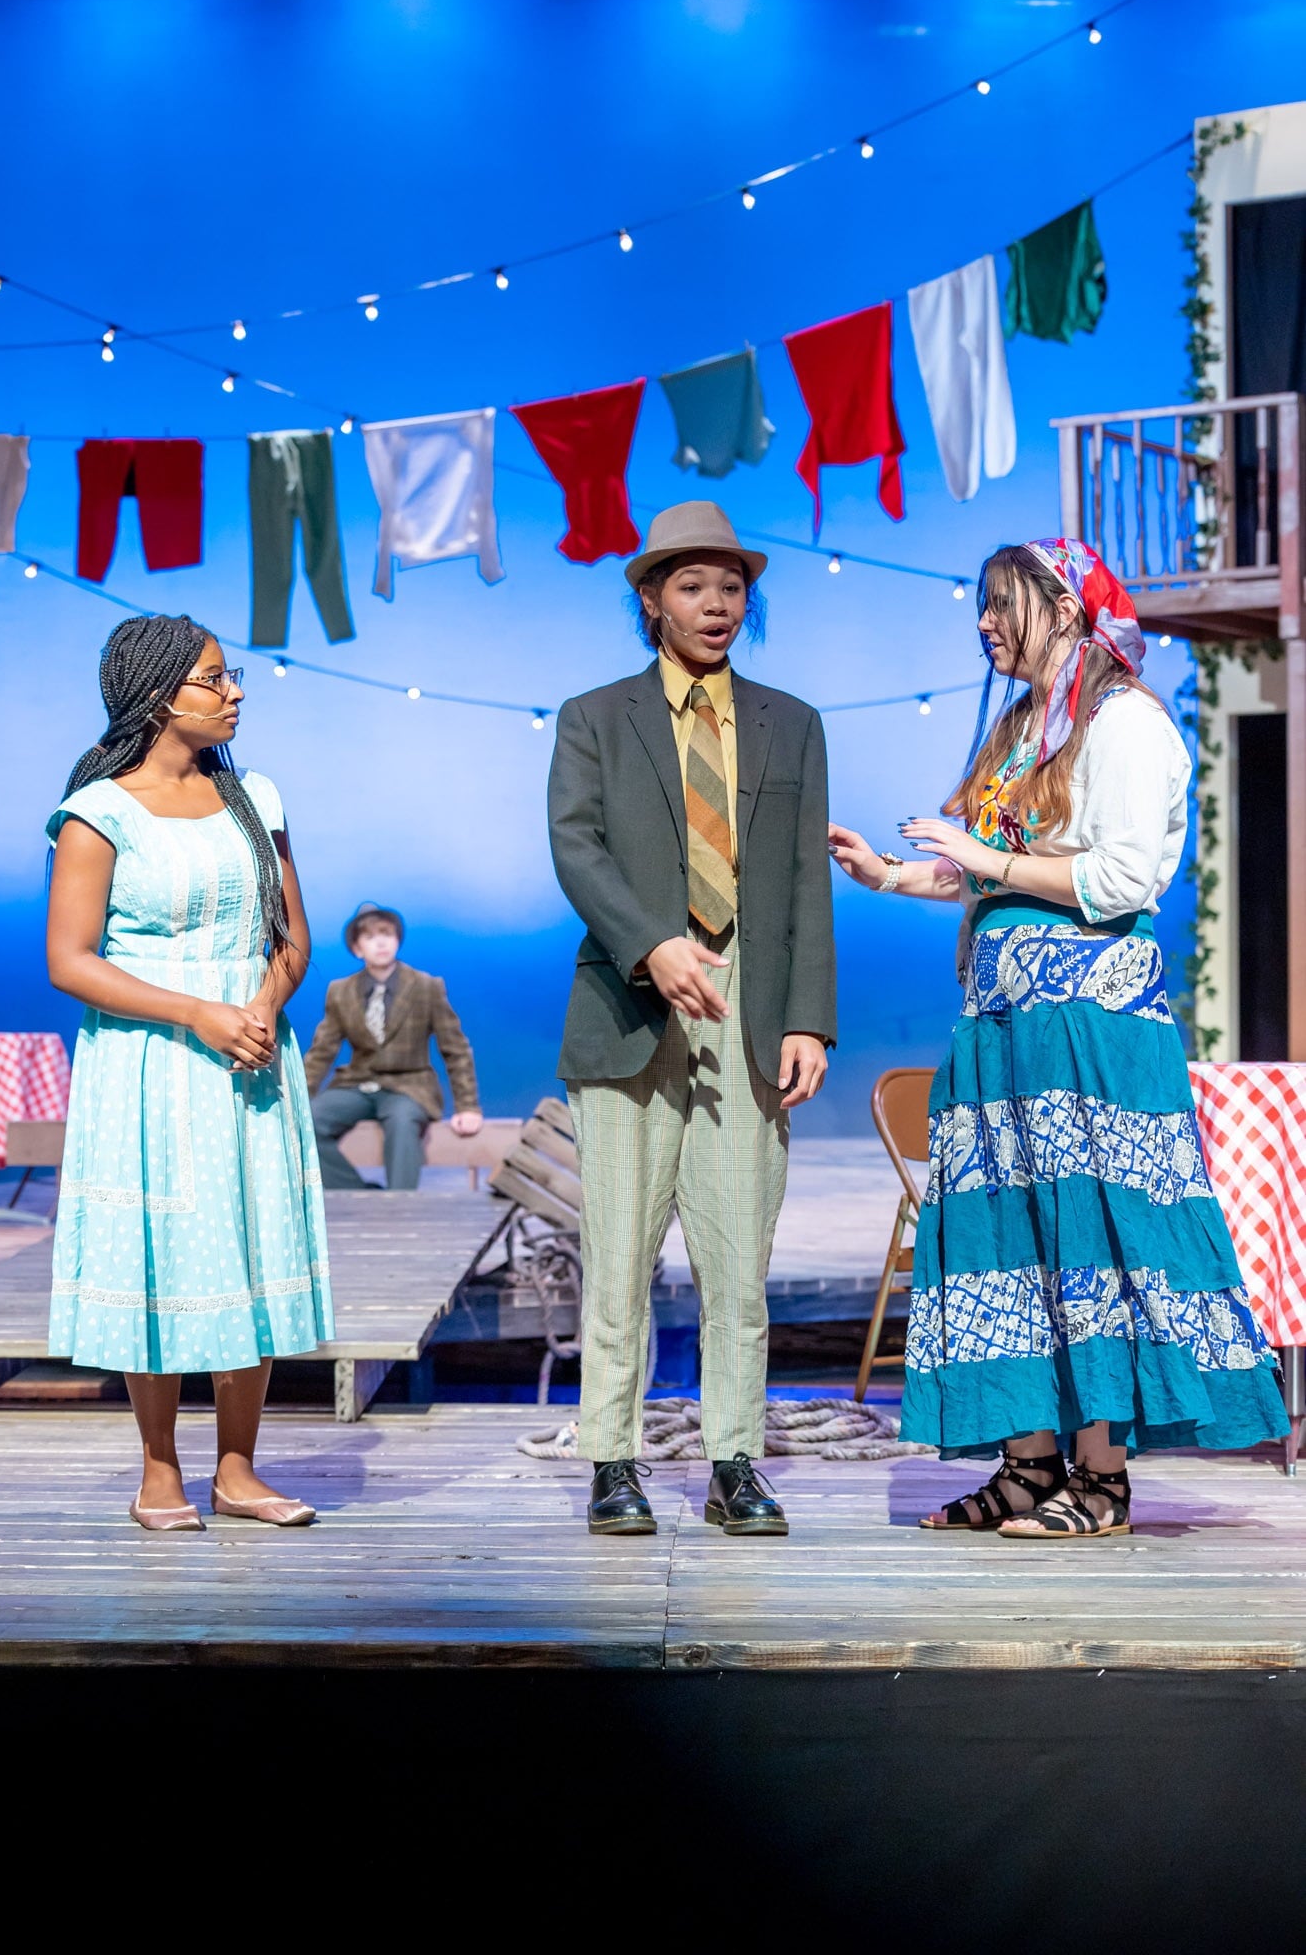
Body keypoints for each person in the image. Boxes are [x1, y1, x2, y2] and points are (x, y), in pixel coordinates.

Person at [829, 538, 1288, 1537]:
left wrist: (985, 855)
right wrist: (889, 874)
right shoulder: (1020, 727)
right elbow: (981, 869)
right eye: (980, 606)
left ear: (1064, 607)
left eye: (1001, 604)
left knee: (1091, 1235)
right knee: (1009, 1239)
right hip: (1005, 1029)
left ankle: (1101, 1476)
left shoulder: (1121, 722)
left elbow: (1120, 880)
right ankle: (1026, 1464)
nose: (985, 624)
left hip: (1087, 1030)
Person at [549, 500, 836, 1539]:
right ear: (649, 599)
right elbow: (575, 847)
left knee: (735, 1261)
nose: (716, 603)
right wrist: (652, 942)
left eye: (731, 585)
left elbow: (807, 879)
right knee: (619, 1257)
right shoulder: (594, 714)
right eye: (691, 585)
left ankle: (733, 1462)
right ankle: (611, 1459)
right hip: (632, 1001)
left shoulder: (788, 720)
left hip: (749, 1004)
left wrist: (807, 1017)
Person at [46, 614, 333, 1532]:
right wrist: (196, 1012)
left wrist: (259, 1006)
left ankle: (239, 1469)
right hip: (150, 1062)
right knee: (164, 1251)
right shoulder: (101, 812)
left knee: (247, 1246)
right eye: (216, 678)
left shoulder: (257, 799)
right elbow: (70, 960)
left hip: (249, 1052)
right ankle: (159, 1470)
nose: (236, 691)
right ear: (161, 693)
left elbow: (292, 938)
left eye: (232, 675)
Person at [304, 902, 482, 1189]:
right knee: (306, 1121)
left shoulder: (426, 986)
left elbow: (456, 1049)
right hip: (358, 1084)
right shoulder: (341, 992)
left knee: (402, 1123)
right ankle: (362, 1196)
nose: (381, 942)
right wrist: (300, 1099)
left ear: (397, 939)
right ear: (357, 948)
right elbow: (322, 1051)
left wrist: (468, 1106)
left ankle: (401, 1206)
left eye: (387, 933)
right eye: (370, 936)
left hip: (409, 1086)